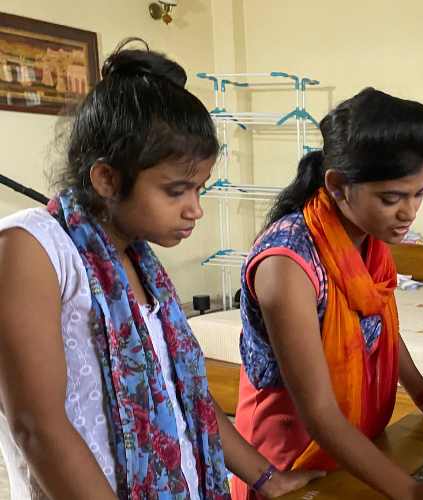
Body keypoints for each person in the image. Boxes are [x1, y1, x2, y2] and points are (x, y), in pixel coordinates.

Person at [0, 39, 319, 499]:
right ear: (106, 178)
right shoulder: (32, 249)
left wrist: (267, 478)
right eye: (176, 191)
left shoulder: (137, 258)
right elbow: (37, 428)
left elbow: (183, 393)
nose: (195, 210)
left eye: (199, 190)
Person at [233, 87, 423, 500]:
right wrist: (415, 492)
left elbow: (379, 326)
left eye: (419, 193)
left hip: (353, 442)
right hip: (291, 460)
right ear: (337, 186)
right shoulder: (286, 266)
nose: (409, 212)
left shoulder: (367, 236)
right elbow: (318, 415)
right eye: (392, 198)